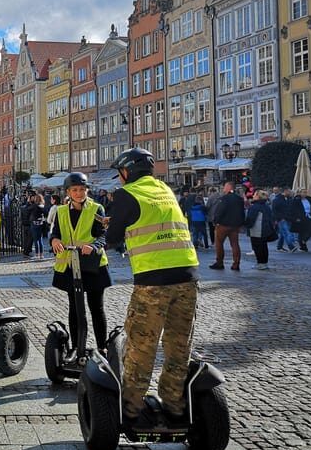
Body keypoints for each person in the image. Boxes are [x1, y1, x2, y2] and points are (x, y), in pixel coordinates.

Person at [105, 147, 200, 428]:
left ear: (127, 172)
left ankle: (132, 410)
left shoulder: (127, 193)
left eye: (120, 173)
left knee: (141, 346)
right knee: (178, 346)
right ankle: (174, 405)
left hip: (153, 281)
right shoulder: (164, 189)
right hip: (187, 276)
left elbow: (112, 238)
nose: (120, 178)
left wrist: (112, 226)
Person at [49, 173, 111, 353]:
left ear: (87, 190)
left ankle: (102, 348)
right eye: (75, 190)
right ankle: (76, 347)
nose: (79, 193)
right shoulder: (61, 211)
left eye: (82, 190)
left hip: (93, 264)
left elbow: (103, 235)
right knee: (75, 308)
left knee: (96, 308)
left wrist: (93, 246)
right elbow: (55, 234)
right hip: (71, 265)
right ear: (68, 192)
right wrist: (54, 241)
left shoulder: (96, 209)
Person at [210, 181, 246, 271]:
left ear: (229, 188)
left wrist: (215, 221)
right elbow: (242, 212)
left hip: (223, 225)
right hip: (235, 225)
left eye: (225, 187)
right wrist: (240, 223)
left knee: (219, 243)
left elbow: (219, 211)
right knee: (235, 244)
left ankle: (219, 262)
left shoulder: (224, 198)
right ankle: (236, 264)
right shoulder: (239, 199)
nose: (223, 189)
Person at [245, 190, 275, 270]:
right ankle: (264, 263)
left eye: (254, 195)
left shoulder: (255, 206)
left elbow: (251, 219)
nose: (253, 196)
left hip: (257, 230)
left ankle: (260, 263)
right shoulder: (266, 206)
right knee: (264, 247)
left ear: (258, 196)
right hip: (265, 229)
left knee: (257, 247)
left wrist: (247, 225)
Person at [271, 187, 298, 252]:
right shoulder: (277, 200)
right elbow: (274, 210)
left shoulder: (289, 199)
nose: (291, 193)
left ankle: (279, 246)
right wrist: (278, 219)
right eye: (290, 192)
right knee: (286, 232)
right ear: (285, 191)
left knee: (283, 233)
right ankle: (291, 246)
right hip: (282, 219)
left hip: (288, 218)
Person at [30, 192, 48, 260]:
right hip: (40, 224)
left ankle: (37, 254)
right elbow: (46, 213)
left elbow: (28, 210)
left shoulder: (35, 206)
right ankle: (41, 255)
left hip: (35, 224)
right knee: (40, 240)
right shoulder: (42, 205)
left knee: (36, 240)